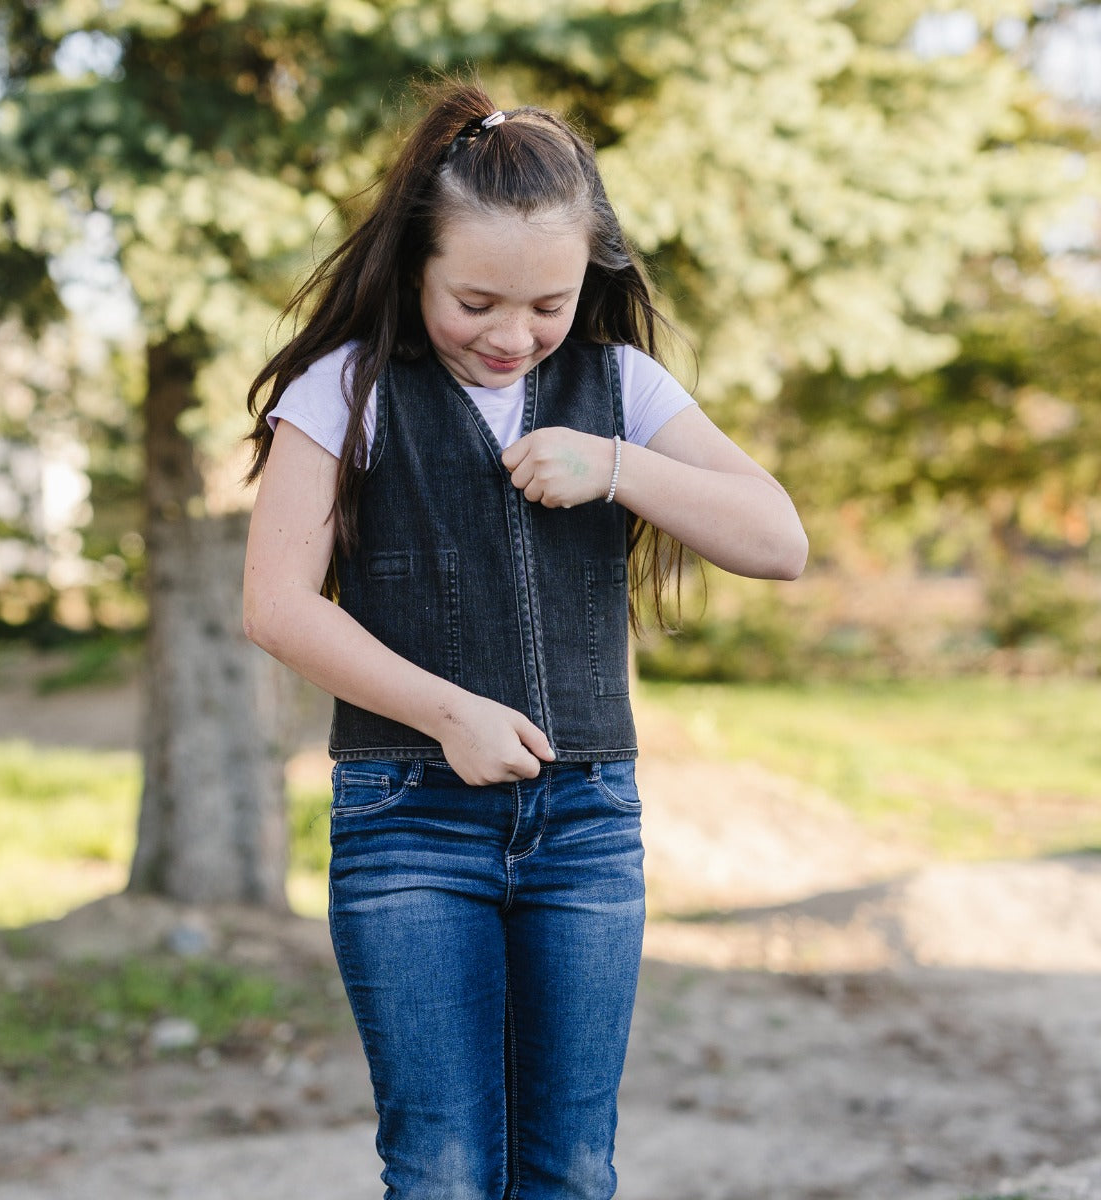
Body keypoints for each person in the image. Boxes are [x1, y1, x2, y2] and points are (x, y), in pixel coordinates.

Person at [243, 79, 807, 1200]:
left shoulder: (621, 387)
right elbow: (276, 605)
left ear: (589, 274)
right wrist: (447, 714)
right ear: (416, 265)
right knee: (443, 1169)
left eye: (548, 304)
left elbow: (778, 540)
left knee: (571, 1168)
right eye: (476, 301)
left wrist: (619, 466)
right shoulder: (343, 389)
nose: (512, 336)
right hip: (409, 821)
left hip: (587, 826)